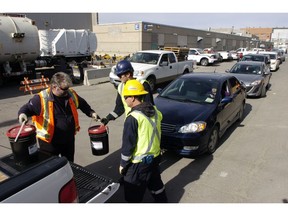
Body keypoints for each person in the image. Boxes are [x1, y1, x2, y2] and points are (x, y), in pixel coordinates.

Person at [18, 72, 100, 162]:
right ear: (54, 87)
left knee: (69, 163)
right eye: (64, 89)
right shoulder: (41, 99)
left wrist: (91, 113)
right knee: (50, 166)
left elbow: (82, 104)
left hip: (68, 139)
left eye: (68, 88)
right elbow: (27, 108)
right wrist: (22, 114)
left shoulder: (70, 93)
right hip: (49, 143)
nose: (67, 91)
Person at [119, 79, 168, 203]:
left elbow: (128, 146)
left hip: (138, 164)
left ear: (133, 97)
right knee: (156, 185)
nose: (124, 99)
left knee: (132, 195)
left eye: (126, 97)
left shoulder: (133, 118)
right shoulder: (155, 111)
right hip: (155, 157)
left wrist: (123, 165)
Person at [101, 60, 154, 125]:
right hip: (130, 122)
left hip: (142, 123)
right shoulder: (121, 87)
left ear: (128, 74)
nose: (119, 77)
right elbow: (119, 108)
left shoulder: (142, 84)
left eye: (120, 75)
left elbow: (150, 107)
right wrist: (108, 118)